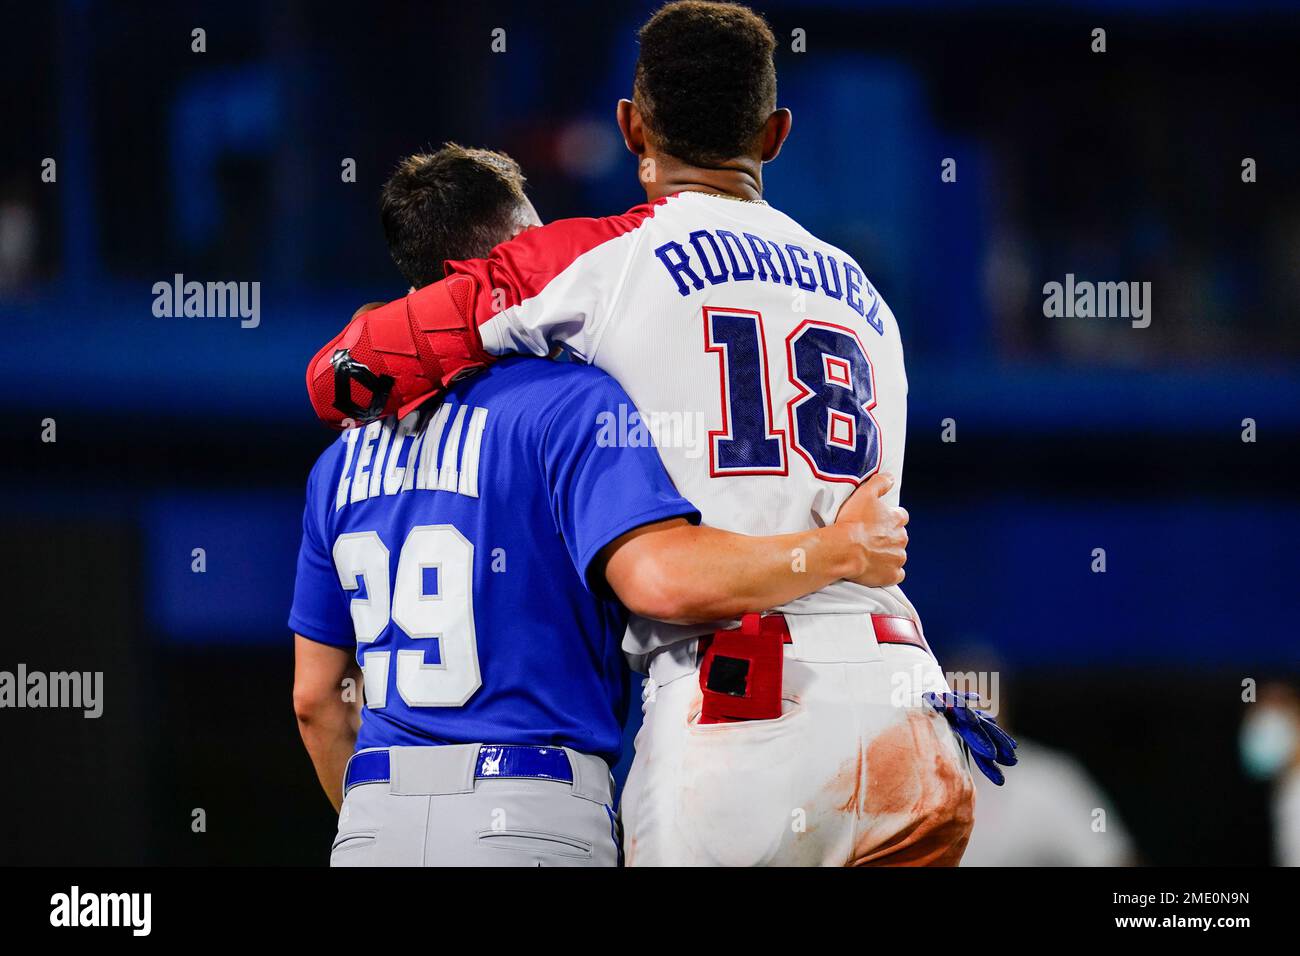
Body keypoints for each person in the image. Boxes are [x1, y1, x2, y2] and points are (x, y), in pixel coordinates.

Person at [299, 0, 1012, 866]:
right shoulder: (866, 294)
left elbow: (344, 374)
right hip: (904, 699)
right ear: (776, 134)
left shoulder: (591, 260)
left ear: (632, 127)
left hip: (740, 706)